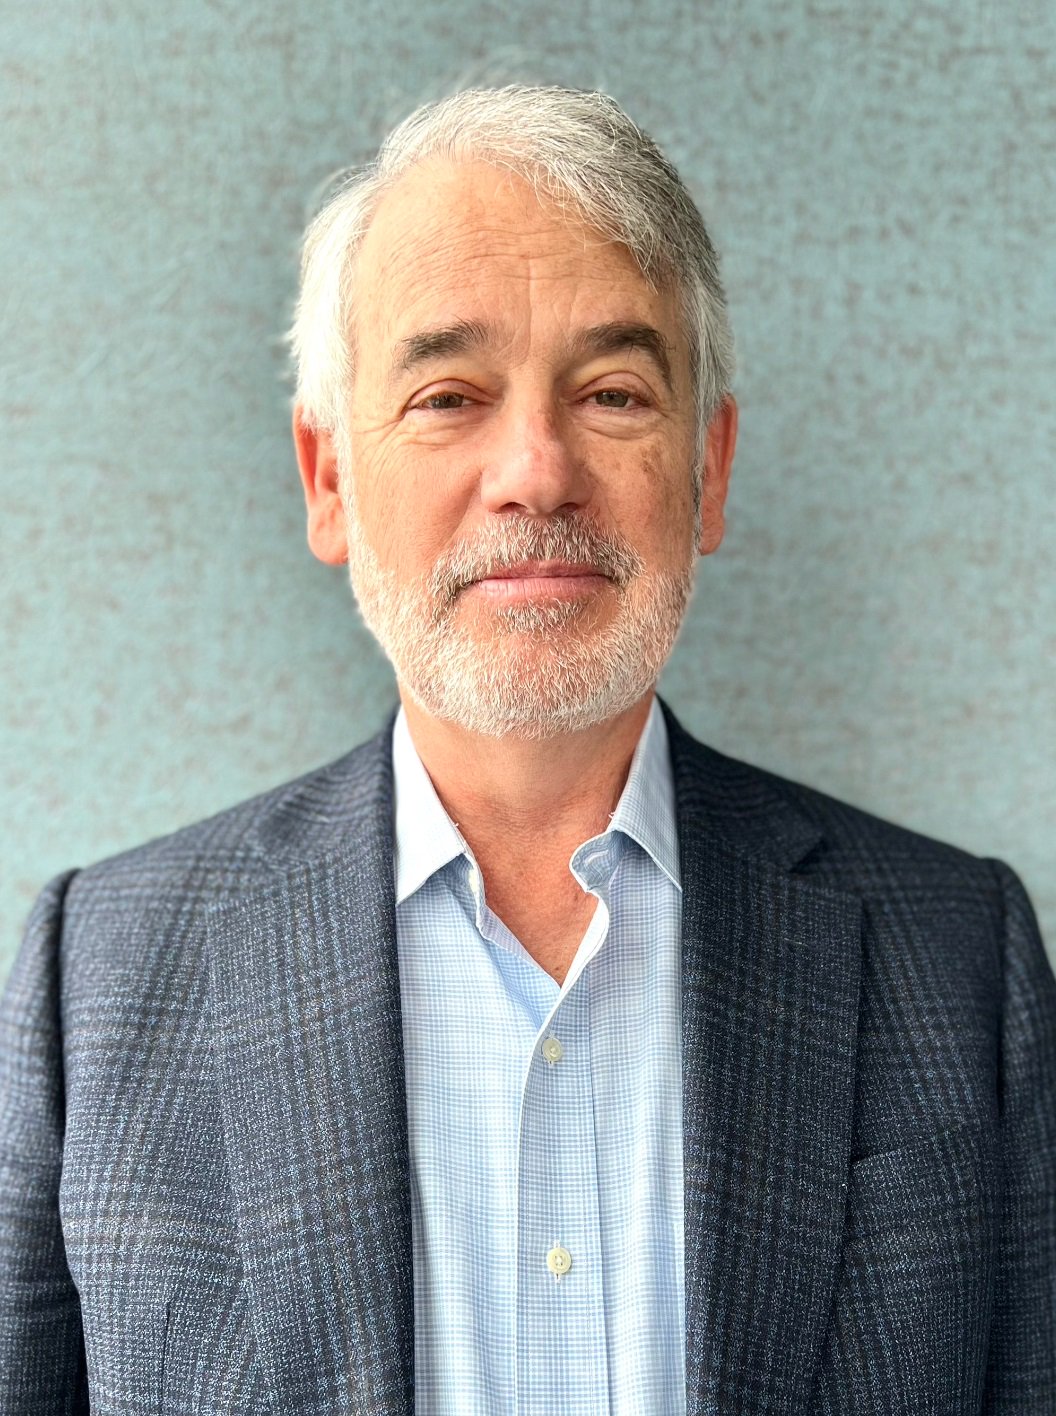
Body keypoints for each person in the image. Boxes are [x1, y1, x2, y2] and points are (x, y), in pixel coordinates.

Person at [1, 84, 1053, 1415]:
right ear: (328, 480)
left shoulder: (958, 959)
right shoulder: (99, 979)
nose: (537, 472)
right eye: (449, 396)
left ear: (709, 470)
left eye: (613, 393)